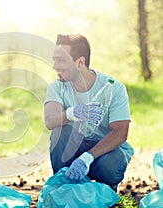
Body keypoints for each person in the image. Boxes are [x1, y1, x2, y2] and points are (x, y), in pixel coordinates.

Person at [44, 34, 134, 191]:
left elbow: (120, 132)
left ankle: (105, 193)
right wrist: (72, 113)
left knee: (112, 162)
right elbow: (50, 120)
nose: (54, 66)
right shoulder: (57, 87)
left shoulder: (113, 88)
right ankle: (62, 189)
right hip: (73, 147)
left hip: (103, 152)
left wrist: (87, 157)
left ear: (80, 62)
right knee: (60, 131)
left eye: (61, 60)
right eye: (54, 59)